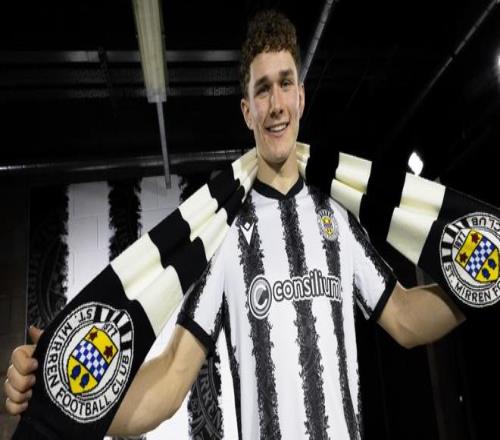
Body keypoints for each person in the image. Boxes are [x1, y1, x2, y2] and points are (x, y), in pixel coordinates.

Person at [4, 10, 465, 439]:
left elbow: (405, 318)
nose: (276, 104)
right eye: (262, 90)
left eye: (285, 84)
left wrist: (482, 288)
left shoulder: (337, 215)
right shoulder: (221, 233)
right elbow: (168, 383)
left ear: (301, 97)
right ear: (247, 110)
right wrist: (68, 399)